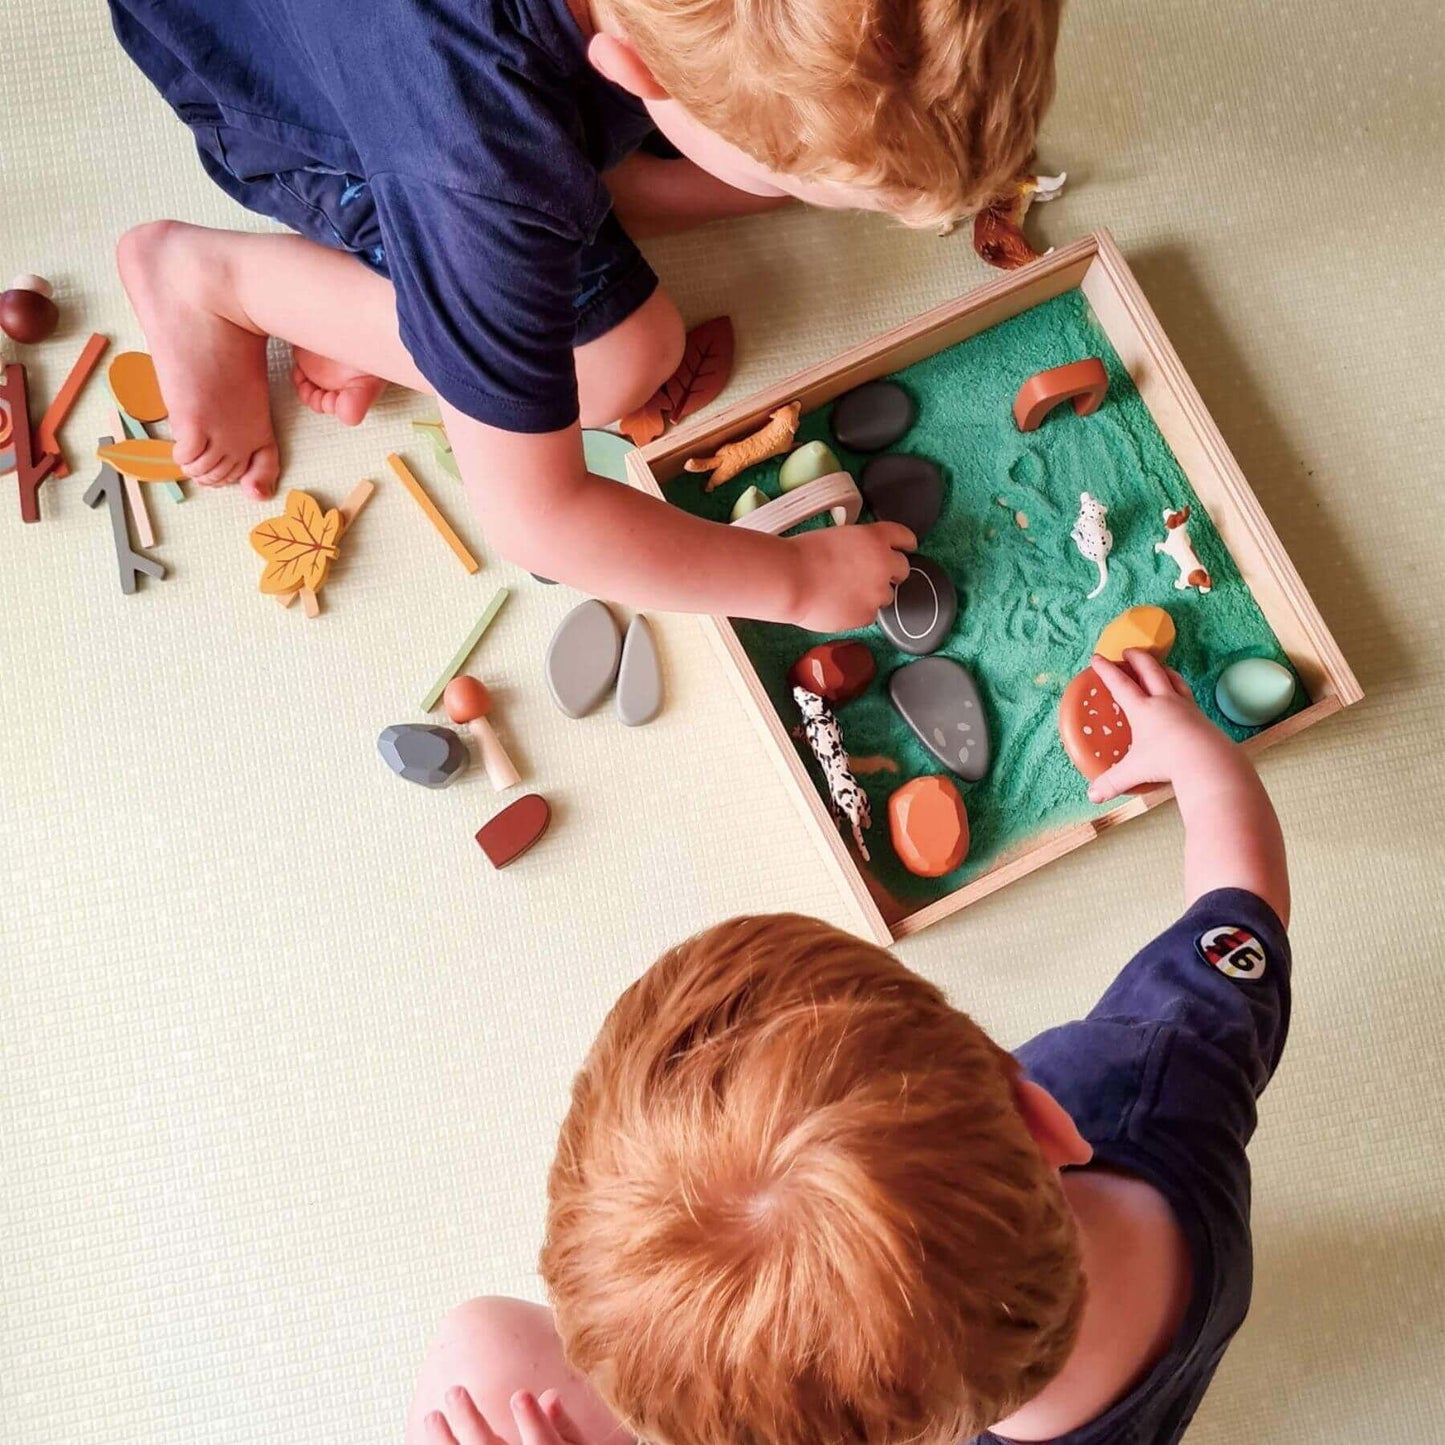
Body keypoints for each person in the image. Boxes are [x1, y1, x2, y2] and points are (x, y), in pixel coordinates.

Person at [407, 649, 1293, 1445]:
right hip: (1178, 1296)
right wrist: (1196, 757)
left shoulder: (874, 1406)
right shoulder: (1158, 1075)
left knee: (476, 1347)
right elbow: (1239, 895)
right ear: (1042, 1115)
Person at [107, 0, 1060, 625]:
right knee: (620, 361)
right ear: (634, 72)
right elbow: (538, 520)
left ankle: (603, 193)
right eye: (791, 173)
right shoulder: (475, 171)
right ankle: (214, 279)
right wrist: (796, 582)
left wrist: (787, 169)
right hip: (260, 72)